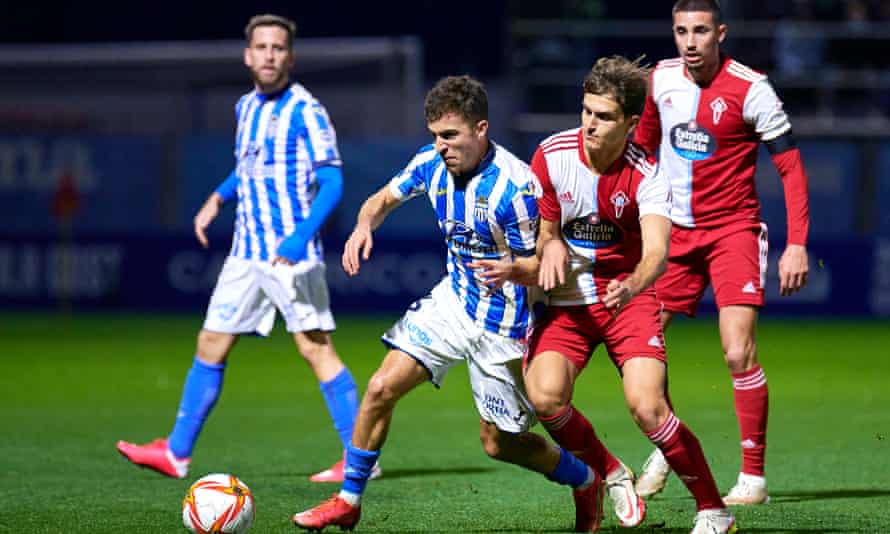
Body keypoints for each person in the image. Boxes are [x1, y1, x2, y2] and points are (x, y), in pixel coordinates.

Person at [292, 74, 643, 533]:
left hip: (505, 325)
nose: (441, 146)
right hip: (454, 305)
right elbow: (378, 201)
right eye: (435, 136)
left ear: (480, 129)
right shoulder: (429, 164)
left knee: (500, 444)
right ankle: (349, 500)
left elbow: (544, 266)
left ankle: (586, 479)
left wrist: (514, 270)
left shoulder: (515, 188)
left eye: (451, 136)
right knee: (380, 388)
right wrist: (364, 227)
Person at [116, 14, 378, 484]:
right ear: (247, 55)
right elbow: (248, 166)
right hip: (245, 253)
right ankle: (176, 453)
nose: (269, 55)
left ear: (290, 57)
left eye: (278, 48)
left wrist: (300, 237)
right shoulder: (245, 107)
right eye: (261, 47)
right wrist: (217, 198)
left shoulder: (306, 110)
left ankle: (360, 459)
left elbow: (333, 181)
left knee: (316, 349)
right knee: (210, 342)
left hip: (290, 257)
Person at [525, 55, 737, 534]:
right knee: (544, 396)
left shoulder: (649, 171)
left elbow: (658, 252)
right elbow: (545, 231)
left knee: (648, 406)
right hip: (569, 299)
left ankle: (713, 510)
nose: (590, 124)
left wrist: (635, 285)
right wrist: (551, 243)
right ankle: (613, 472)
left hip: (629, 297)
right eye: (586, 111)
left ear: (631, 123)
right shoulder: (553, 154)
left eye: (603, 116)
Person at [632, 0, 811, 506]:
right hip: (672, 234)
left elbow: (792, 169)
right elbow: (642, 153)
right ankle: (669, 444)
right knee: (643, 344)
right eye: (681, 31)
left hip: (732, 230)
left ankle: (752, 479)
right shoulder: (659, 82)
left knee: (737, 351)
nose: (691, 42)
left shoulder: (752, 88)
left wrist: (796, 244)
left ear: (721, 34)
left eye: (701, 31)